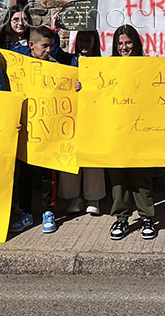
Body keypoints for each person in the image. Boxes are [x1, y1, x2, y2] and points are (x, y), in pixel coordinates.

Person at [104, 25, 158, 241]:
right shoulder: (107, 67)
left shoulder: (147, 66)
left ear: (135, 43)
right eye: (120, 44)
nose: (124, 47)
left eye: (128, 42)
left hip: (139, 129)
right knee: (117, 176)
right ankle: (121, 218)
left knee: (140, 175)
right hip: (115, 130)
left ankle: (147, 217)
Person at [11, 26, 59, 234]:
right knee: (25, 175)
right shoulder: (19, 66)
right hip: (25, 130)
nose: (48, 50)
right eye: (44, 46)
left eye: (50, 46)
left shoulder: (57, 67)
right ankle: (26, 212)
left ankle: (49, 211)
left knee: (47, 175)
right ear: (31, 45)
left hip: (48, 130)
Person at [58, 30, 106, 216]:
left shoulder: (102, 63)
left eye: (88, 40)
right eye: (81, 40)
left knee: (93, 157)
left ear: (95, 42)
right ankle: (74, 197)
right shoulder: (68, 60)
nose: (84, 44)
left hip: (93, 115)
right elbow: (53, 49)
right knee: (71, 155)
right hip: (71, 114)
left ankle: (93, 197)